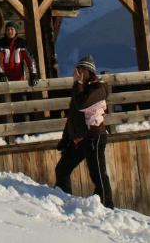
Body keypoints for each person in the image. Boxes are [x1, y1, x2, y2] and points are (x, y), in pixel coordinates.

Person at [54, 55, 115, 208]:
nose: (77, 73)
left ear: (88, 72)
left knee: (97, 174)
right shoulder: (80, 88)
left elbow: (82, 104)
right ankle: (64, 199)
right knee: (62, 169)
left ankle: (107, 206)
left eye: (81, 70)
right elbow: (73, 116)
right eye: (77, 70)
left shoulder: (98, 88)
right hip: (80, 139)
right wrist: (66, 138)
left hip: (95, 136)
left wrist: (78, 83)